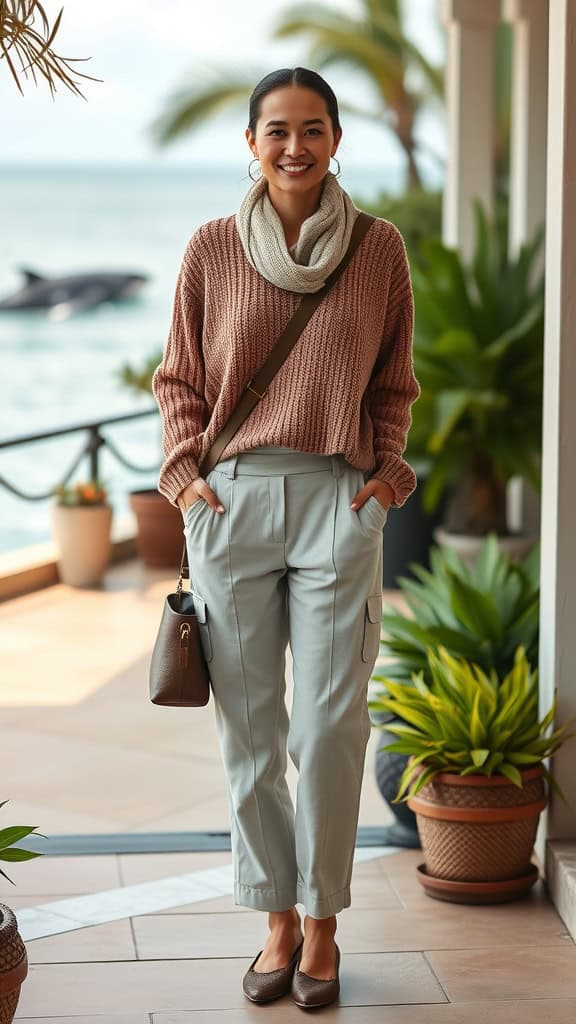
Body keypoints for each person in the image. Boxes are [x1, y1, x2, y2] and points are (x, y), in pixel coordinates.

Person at [151, 66, 420, 1010]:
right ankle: (274, 920)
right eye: (277, 131)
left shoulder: (379, 250)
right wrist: (186, 481)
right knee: (254, 731)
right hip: (231, 507)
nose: (295, 147)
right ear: (252, 143)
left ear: (336, 139)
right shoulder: (212, 248)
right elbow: (180, 379)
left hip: (338, 501)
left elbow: (394, 383)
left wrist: (387, 477)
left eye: (313, 129)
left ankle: (324, 925)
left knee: (328, 724)